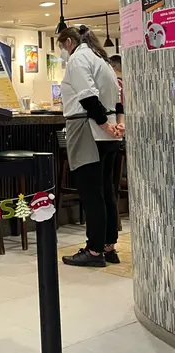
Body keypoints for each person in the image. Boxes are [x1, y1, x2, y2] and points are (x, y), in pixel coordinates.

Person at [58, 25, 124, 268]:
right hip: (106, 134)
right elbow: (118, 98)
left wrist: (105, 126)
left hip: (88, 129)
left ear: (68, 43)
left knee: (91, 193)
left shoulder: (78, 59)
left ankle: (94, 250)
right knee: (106, 192)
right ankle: (108, 246)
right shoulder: (102, 60)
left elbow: (87, 97)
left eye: (61, 46)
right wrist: (117, 124)